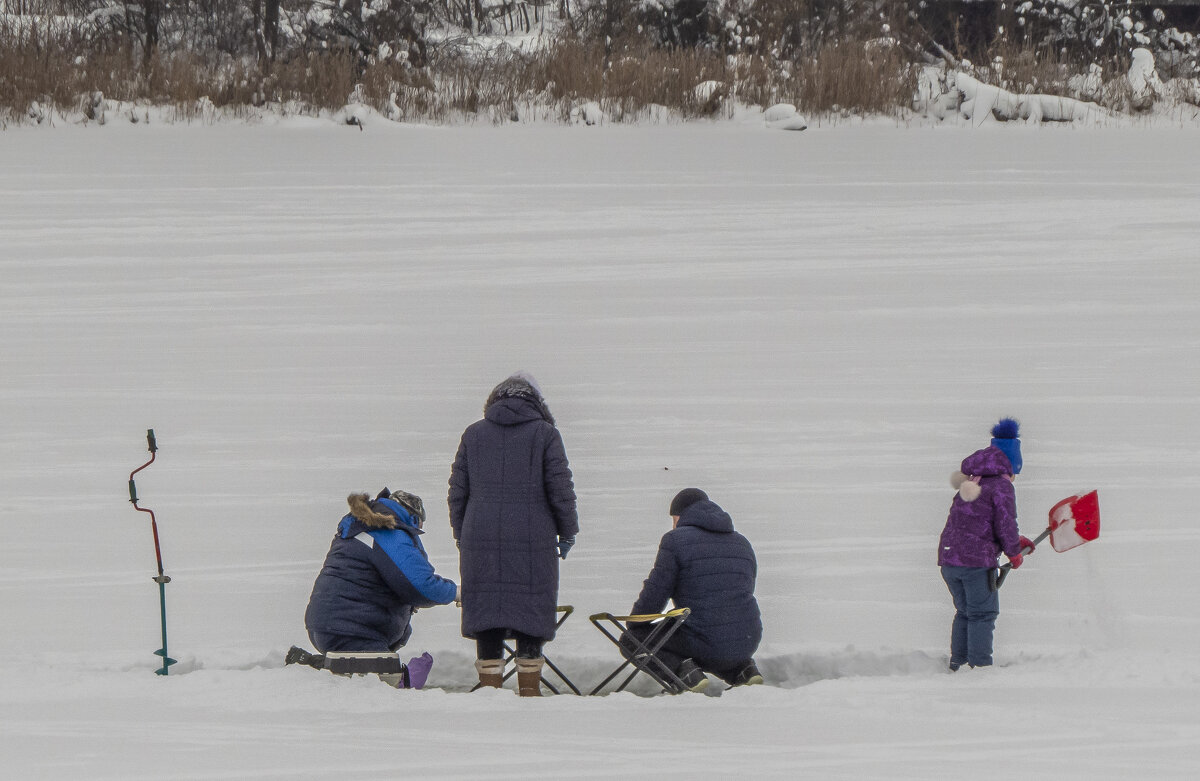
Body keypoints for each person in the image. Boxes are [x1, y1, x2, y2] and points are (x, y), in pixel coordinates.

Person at [448, 372, 579, 696]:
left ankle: (491, 691)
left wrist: (462, 534)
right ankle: (530, 692)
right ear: (536, 402)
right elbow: (561, 490)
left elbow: (457, 492)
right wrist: (568, 531)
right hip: (534, 537)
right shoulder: (545, 434)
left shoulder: (473, 434)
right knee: (531, 610)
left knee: (487, 614)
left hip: (480, 537)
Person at [302, 488, 459, 688]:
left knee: (359, 672)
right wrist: (456, 592)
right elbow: (421, 585)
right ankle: (314, 665)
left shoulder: (362, 526)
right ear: (412, 517)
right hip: (354, 630)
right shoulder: (390, 533)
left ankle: (316, 665)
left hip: (326, 625)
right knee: (388, 685)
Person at [625, 488, 763, 692]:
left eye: (673, 518)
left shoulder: (675, 540)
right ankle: (744, 671)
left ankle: (685, 673)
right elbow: (743, 589)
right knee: (718, 633)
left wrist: (636, 622)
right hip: (747, 640)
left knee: (631, 641)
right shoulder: (742, 542)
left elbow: (657, 592)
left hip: (705, 641)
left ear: (679, 515)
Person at [938, 418, 1036, 671]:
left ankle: (958, 663)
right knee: (982, 614)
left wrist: (1014, 542)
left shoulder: (973, 481)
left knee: (965, 612)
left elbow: (978, 524)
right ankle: (980, 669)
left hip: (950, 560)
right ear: (1011, 465)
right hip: (974, 562)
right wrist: (1013, 551)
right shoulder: (1001, 486)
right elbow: (1005, 523)